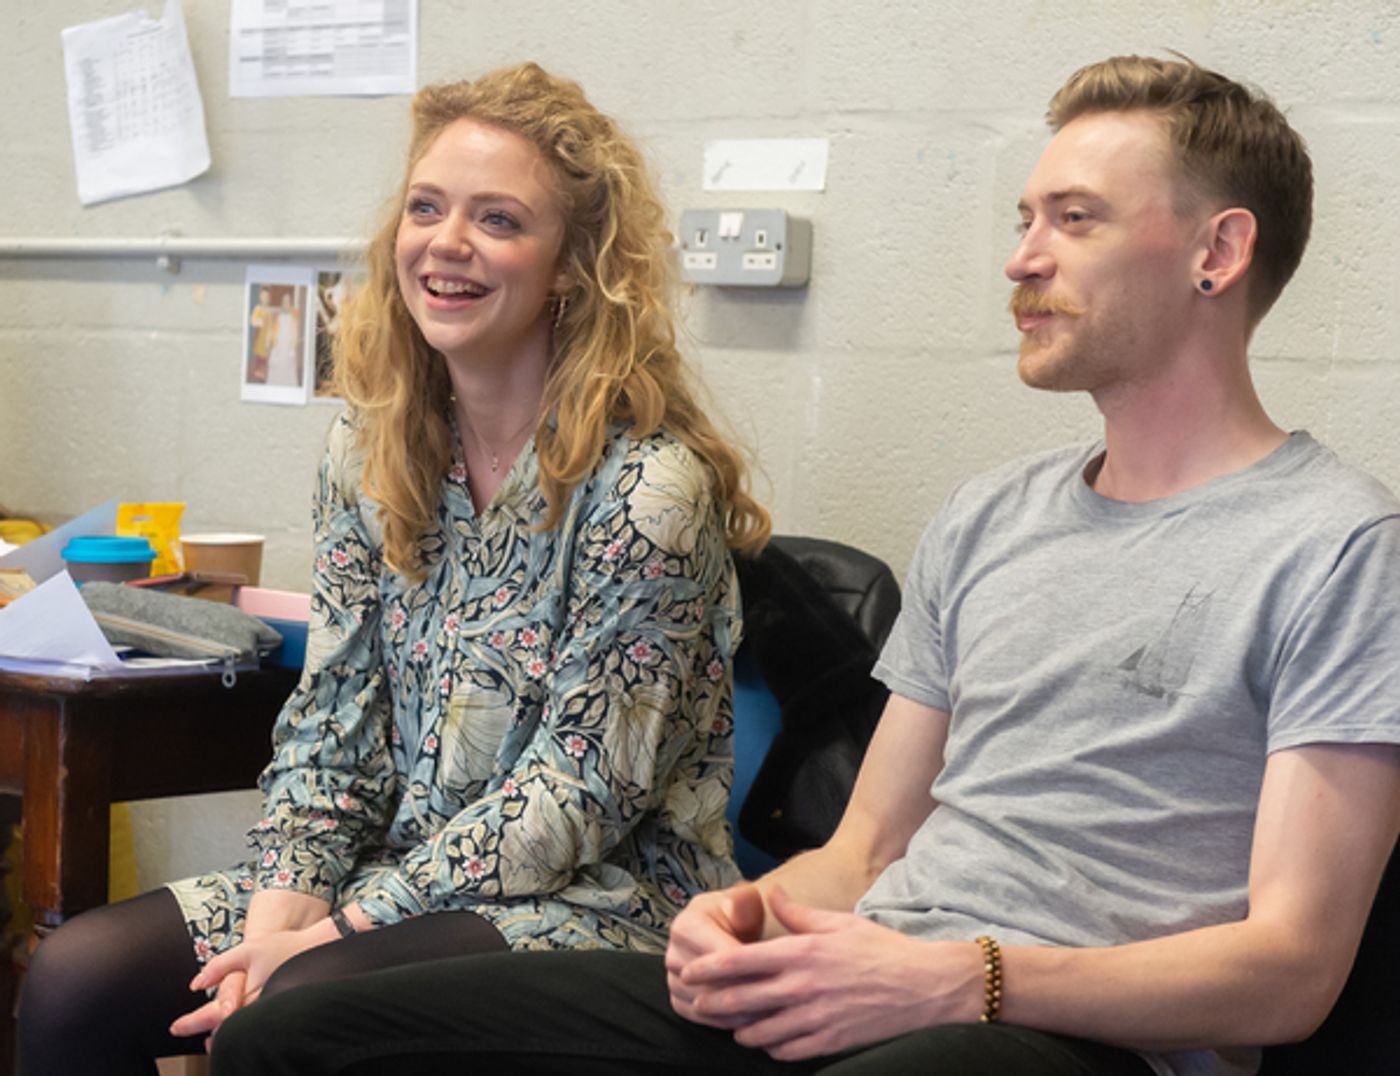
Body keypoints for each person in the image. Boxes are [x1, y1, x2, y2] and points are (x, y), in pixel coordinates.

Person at [208, 54, 1400, 1076]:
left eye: (1073, 219)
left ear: (1215, 250)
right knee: (290, 1033)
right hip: (866, 976)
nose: (1020, 259)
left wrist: (958, 977)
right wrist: (746, 911)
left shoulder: (1333, 545)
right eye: (1023, 219)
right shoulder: (990, 516)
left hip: (1054, 1029)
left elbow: (1289, 970)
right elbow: (863, 852)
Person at [16, 61, 768, 1075]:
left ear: (570, 267)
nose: (447, 241)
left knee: (303, 1003)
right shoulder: (369, 451)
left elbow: (575, 801)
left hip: (596, 905)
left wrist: (328, 936)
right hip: (394, 876)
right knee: (76, 979)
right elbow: (332, 722)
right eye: (426, 207)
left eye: (498, 219)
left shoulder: (647, 491)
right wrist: (284, 903)